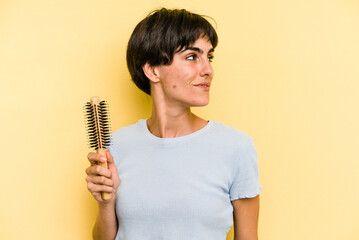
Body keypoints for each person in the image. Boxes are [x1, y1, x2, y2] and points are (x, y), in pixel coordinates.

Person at [86, 8, 262, 240]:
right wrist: (104, 203)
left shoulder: (236, 147)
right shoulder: (116, 145)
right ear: (152, 70)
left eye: (208, 57)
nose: (208, 70)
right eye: (192, 57)